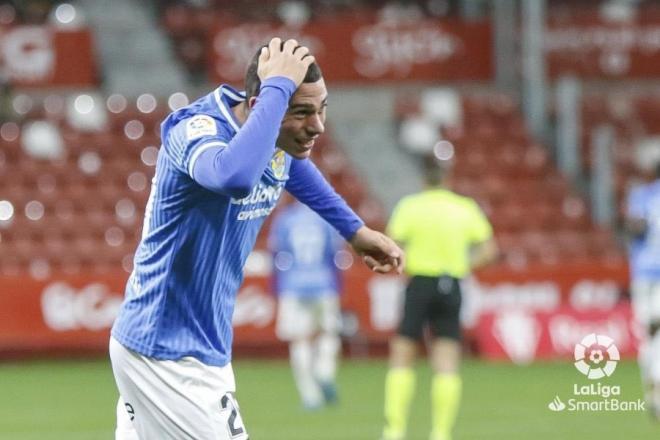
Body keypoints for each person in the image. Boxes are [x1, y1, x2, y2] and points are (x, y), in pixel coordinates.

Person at [109, 37, 404, 440]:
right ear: (257, 106)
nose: (317, 126)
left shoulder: (271, 140)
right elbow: (234, 178)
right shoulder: (195, 131)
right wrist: (278, 88)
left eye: (322, 110)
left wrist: (354, 230)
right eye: (301, 112)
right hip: (168, 351)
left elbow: (292, 165)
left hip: (189, 343)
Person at [381, 152, 497, 440]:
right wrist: (464, 266)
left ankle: (394, 431)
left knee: (403, 354)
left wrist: (404, 263)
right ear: (448, 176)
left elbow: (390, 243)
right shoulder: (464, 208)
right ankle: (441, 433)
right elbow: (489, 250)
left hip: (419, 282)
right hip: (451, 283)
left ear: (423, 177)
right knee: (446, 359)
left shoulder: (410, 206)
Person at [269, 197, 344, 410]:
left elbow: (276, 255)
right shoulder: (324, 218)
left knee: (299, 340)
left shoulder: (285, 219)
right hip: (323, 282)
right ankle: (324, 371)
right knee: (329, 332)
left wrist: (274, 287)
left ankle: (310, 396)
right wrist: (338, 286)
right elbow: (335, 255)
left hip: (293, 284)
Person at [625, 145, 660, 419]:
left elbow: (633, 228)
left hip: (643, 273)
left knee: (648, 335)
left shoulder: (640, 195)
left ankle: (651, 389)